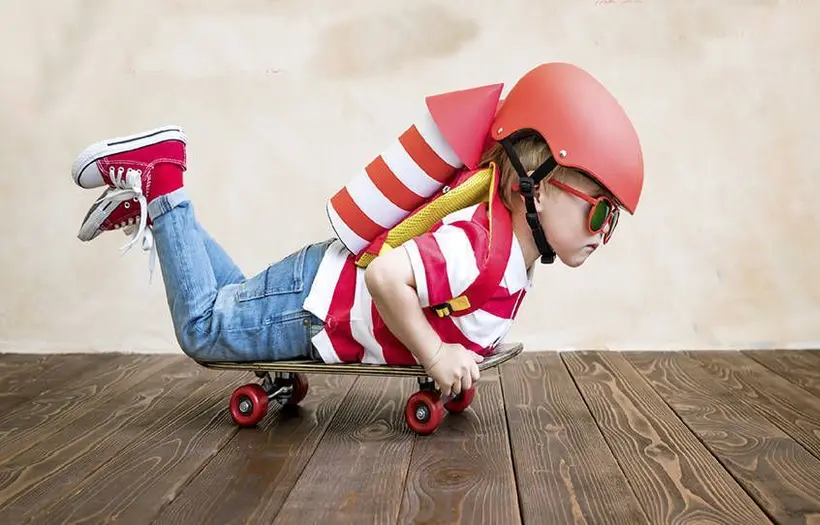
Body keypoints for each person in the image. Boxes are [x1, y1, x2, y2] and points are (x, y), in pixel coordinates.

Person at [69, 62, 644, 398]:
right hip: (318, 307)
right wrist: (436, 354)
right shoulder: (480, 247)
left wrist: (447, 351)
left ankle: (158, 216)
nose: (602, 231)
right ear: (536, 187)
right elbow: (389, 276)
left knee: (225, 303)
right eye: (599, 210)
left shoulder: (502, 244)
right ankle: (162, 179)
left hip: (317, 293)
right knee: (202, 330)